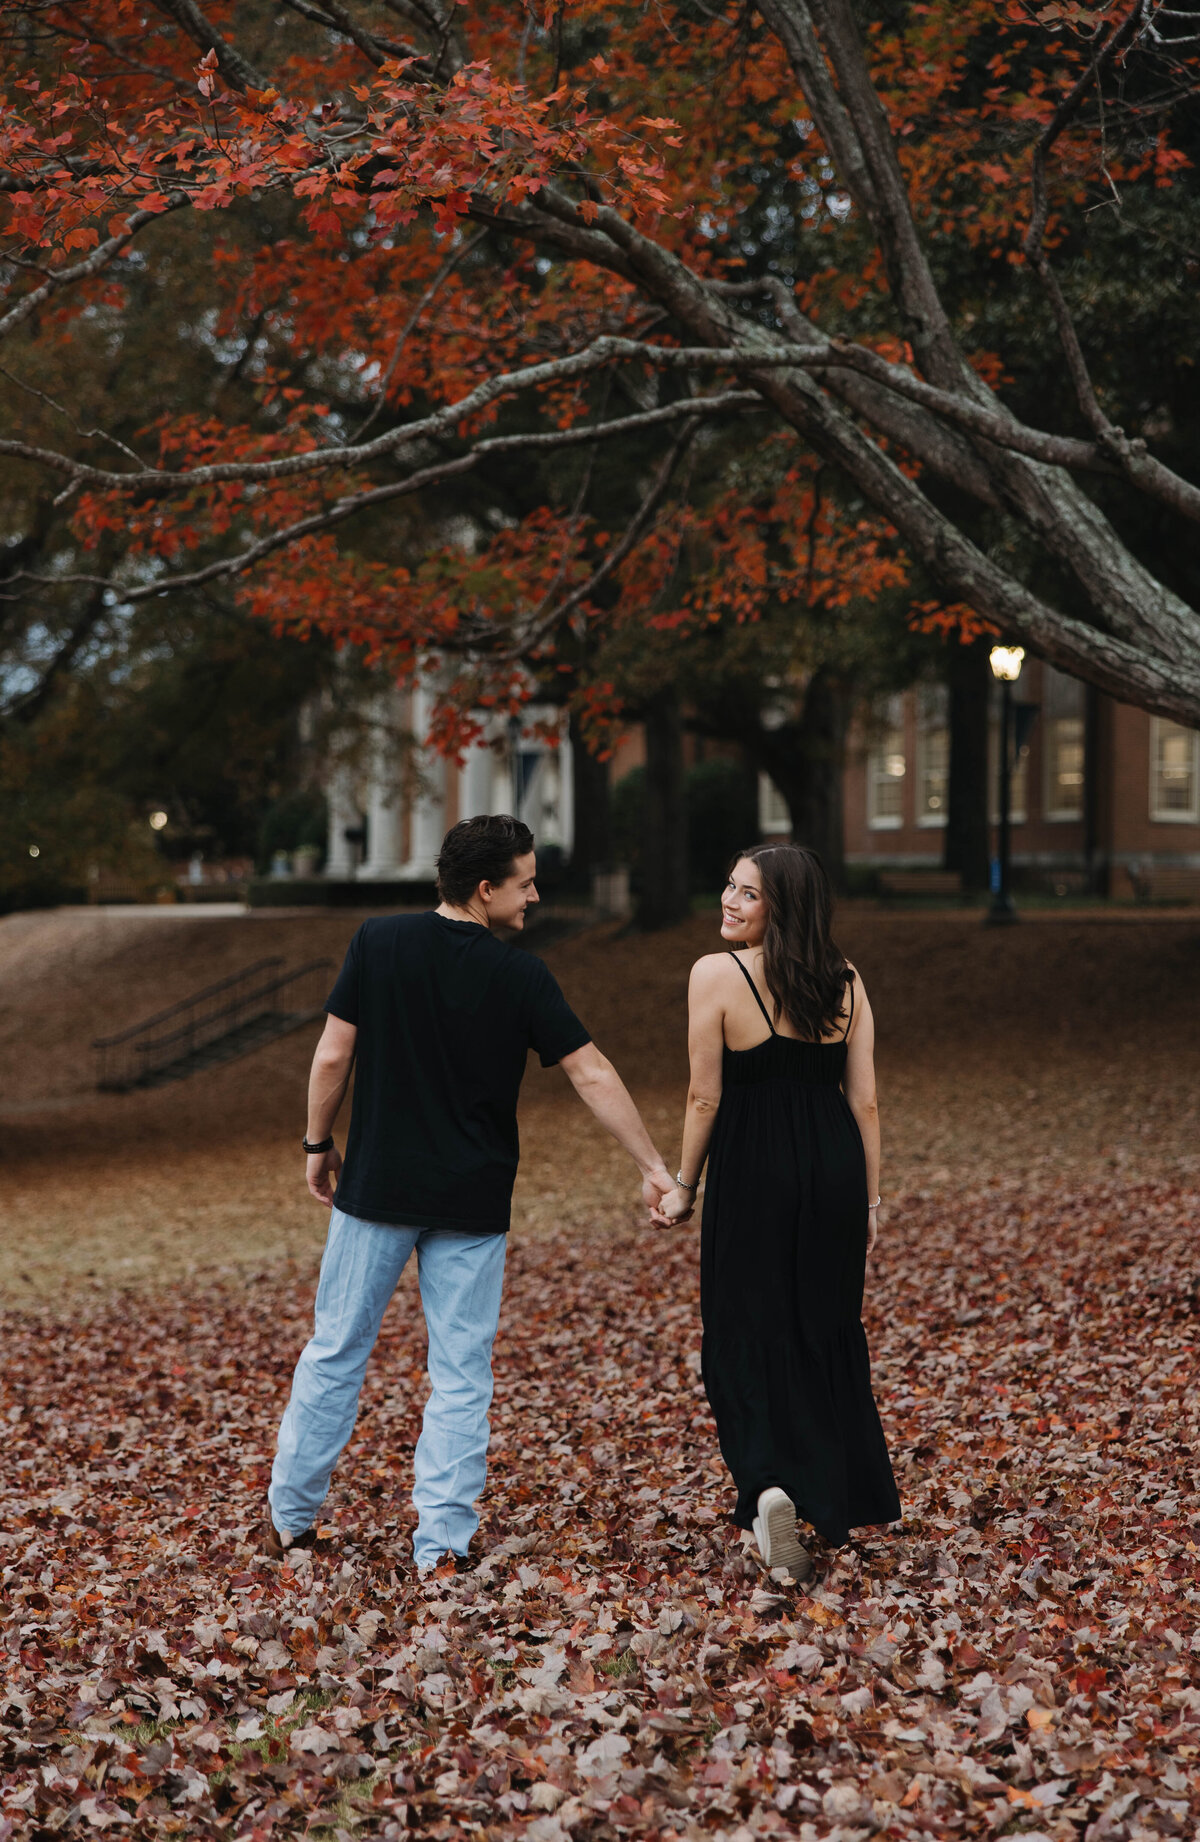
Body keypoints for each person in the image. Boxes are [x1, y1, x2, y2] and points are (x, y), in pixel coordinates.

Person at [265, 813, 675, 1572]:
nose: (536, 896)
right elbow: (590, 1071)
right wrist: (651, 1164)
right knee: (460, 1375)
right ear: (485, 890)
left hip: (377, 1188)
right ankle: (440, 1549)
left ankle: (291, 1519)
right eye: (525, 883)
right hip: (469, 1201)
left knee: (335, 1353)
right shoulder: (521, 976)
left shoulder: (377, 943)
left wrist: (318, 1146)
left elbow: (331, 1059)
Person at [653, 843, 900, 1579]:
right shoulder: (847, 981)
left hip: (753, 1170)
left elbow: (705, 1096)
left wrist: (685, 1186)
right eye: (728, 885)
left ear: (781, 906)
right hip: (832, 1169)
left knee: (743, 1327)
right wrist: (873, 1198)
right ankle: (822, 1491)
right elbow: (865, 1102)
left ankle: (767, 1486)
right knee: (821, 1327)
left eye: (748, 893)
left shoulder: (715, 975)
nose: (728, 900)